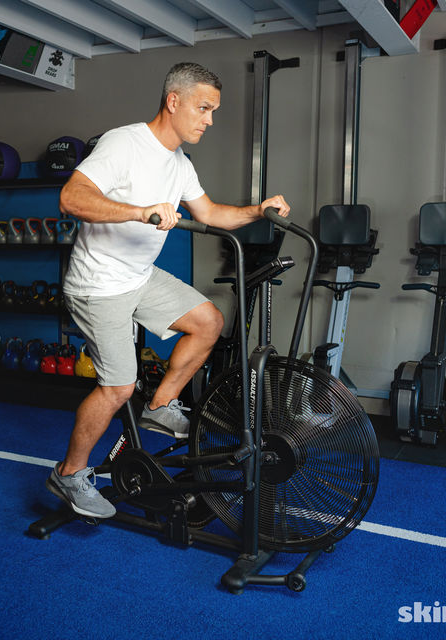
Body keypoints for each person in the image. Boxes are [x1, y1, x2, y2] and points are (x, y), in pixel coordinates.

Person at [46, 62, 290, 519]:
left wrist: (259, 210)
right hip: (98, 285)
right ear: (173, 101)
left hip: (138, 277)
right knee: (119, 387)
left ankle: (160, 405)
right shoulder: (124, 143)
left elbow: (212, 214)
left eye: (213, 111)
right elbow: (71, 198)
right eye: (203, 108)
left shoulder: (180, 165)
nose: (209, 120)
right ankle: (70, 473)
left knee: (208, 322)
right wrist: (139, 211)